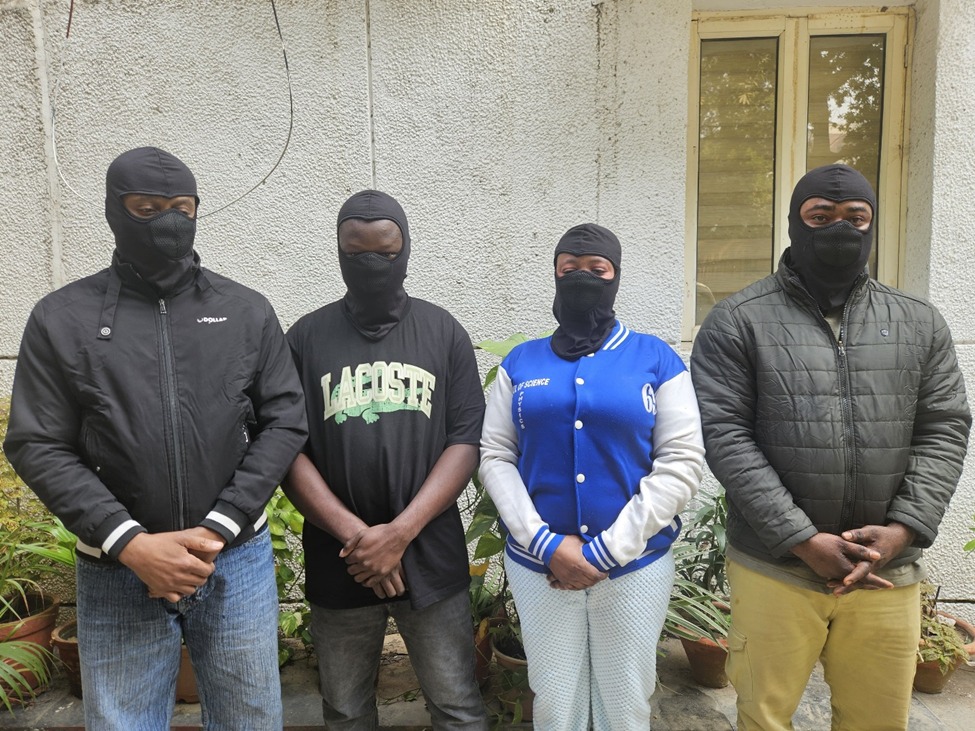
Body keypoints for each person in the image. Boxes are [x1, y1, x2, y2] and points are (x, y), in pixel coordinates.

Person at [3, 147, 308, 730]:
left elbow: (285, 420)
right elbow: (37, 442)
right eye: (147, 209)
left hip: (233, 558)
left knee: (251, 720)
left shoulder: (245, 311)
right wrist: (131, 544)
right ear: (114, 211)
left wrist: (219, 527)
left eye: (181, 208)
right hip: (117, 567)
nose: (168, 222)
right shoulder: (62, 318)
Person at [690, 164, 971, 731]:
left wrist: (904, 529)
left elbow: (943, 427)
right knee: (764, 719)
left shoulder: (918, 322)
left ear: (873, 224)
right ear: (794, 223)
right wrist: (802, 539)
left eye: (855, 217)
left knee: (877, 721)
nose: (839, 229)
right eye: (820, 216)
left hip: (887, 571)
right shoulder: (738, 321)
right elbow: (724, 435)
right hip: (775, 568)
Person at [479, 223, 705, 731]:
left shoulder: (656, 359)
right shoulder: (521, 362)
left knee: (625, 702)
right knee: (554, 700)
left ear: (615, 277)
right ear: (555, 276)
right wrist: (544, 543)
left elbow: (682, 460)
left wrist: (605, 551)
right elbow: (495, 454)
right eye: (569, 269)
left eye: (596, 269)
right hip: (539, 567)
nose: (582, 277)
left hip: (634, 566)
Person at [283, 190, 488, 730]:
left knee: (457, 707)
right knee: (346, 711)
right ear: (338, 251)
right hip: (339, 555)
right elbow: (287, 448)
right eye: (357, 253)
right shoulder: (305, 337)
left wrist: (399, 533)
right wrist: (359, 537)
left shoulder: (442, 331)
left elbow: (465, 441)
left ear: (407, 249)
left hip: (430, 552)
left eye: (386, 252)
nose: (372, 263)